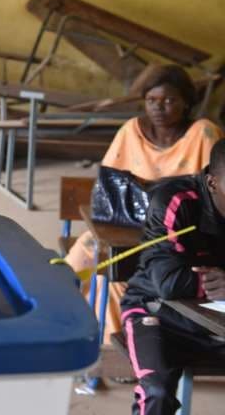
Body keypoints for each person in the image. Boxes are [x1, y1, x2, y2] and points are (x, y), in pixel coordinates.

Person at [64, 64, 223, 342]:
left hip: (177, 233)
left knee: (115, 277)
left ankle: (111, 343)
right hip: (127, 225)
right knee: (87, 248)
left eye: (169, 100)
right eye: (152, 101)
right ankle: (57, 306)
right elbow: (109, 184)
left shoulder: (203, 133)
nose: (159, 108)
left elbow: (213, 192)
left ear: (187, 102)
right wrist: (160, 190)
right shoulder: (131, 131)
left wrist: (149, 189)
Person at [121, 138, 225, 415]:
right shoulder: (175, 200)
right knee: (156, 392)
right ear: (213, 183)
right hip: (156, 313)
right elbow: (168, 284)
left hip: (217, 324)